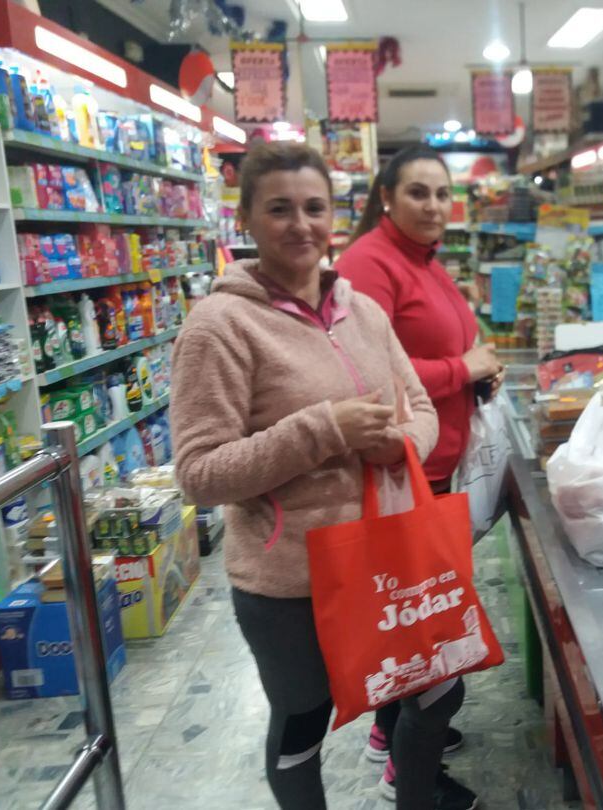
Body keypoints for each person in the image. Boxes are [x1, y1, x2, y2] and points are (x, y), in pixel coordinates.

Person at [170, 142, 476, 810]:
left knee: (440, 687)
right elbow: (198, 473)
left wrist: (400, 444)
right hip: (289, 580)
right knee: (303, 726)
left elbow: (418, 407)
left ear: (335, 214)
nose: (300, 224)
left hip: (389, 559)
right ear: (246, 217)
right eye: (279, 208)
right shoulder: (219, 326)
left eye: (314, 207)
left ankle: (416, 800)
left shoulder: (361, 309)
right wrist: (325, 430)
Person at [335, 146, 500, 804]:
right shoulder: (368, 265)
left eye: (442, 193)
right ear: (385, 198)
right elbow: (375, 379)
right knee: (426, 646)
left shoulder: (424, 260)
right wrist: (466, 370)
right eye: (418, 193)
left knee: (410, 632)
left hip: (435, 470)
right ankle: (410, 775)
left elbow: (445, 343)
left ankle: (392, 733)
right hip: (402, 478)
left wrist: (479, 368)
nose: (434, 206)